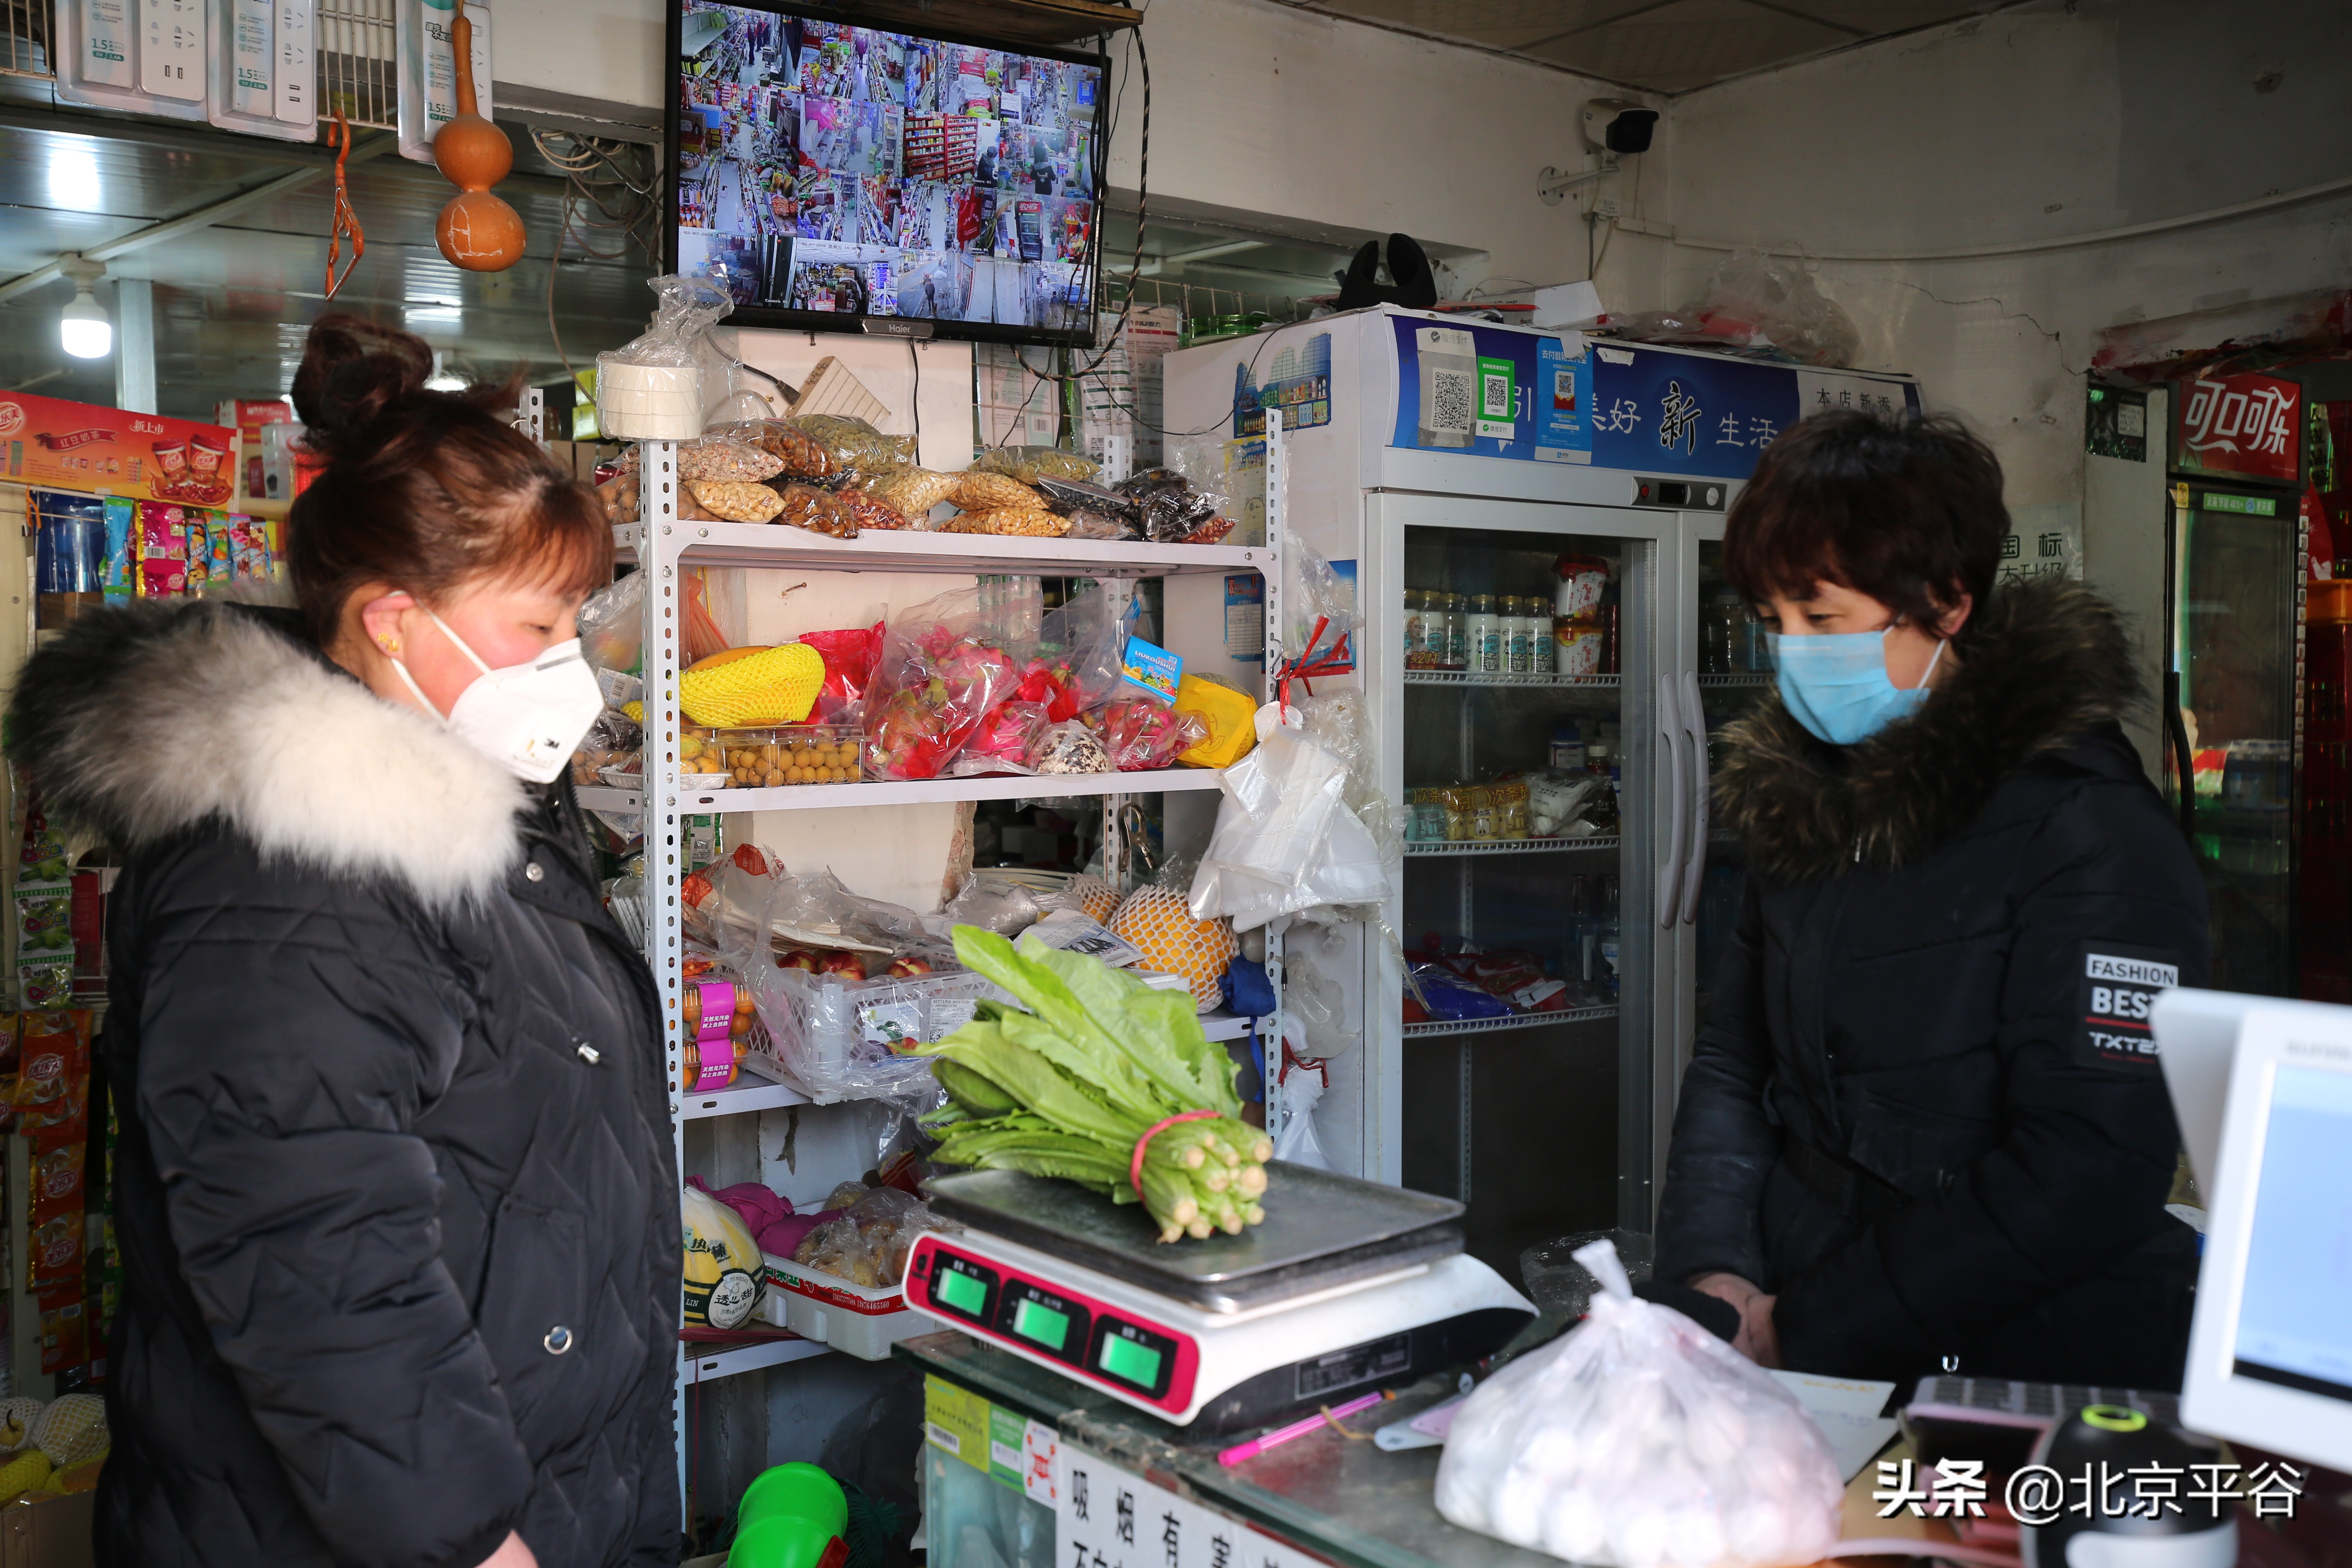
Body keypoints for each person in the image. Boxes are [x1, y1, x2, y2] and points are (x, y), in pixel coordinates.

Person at [9, 316, 677, 1568]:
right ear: (389, 619)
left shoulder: (472, 816)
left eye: (579, 624)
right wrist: (472, 1536)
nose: (570, 668)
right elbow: (309, 1253)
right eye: (538, 629)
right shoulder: (280, 876)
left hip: (536, 1481)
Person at [1654, 410, 2207, 1388]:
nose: (1793, 654)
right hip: (1801, 1314)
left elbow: (2089, 1168)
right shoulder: (1809, 803)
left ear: (1949, 603)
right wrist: (1717, 1279)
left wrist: (1818, 1323)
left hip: (2027, 1349)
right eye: (1774, 620)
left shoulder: (2090, 832)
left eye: (1823, 619)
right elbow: (1738, 1063)